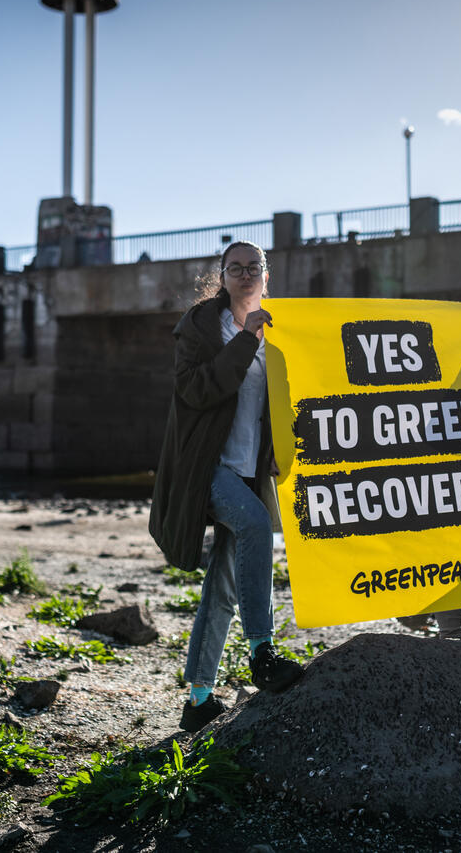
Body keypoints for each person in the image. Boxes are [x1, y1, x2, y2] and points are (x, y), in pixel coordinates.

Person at [149, 240, 303, 732]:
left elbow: (283, 398)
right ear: (222, 275)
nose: (244, 274)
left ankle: (198, 700)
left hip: (246, 470)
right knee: (258, 525)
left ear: (265, 274)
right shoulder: (202, 325)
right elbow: (196, 389)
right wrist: (246, 341)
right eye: (234, 268)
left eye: (252, 267)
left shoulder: (277, 327)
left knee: (222, 584)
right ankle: (262, 651)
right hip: (204, 466)